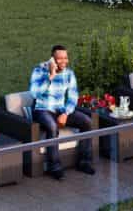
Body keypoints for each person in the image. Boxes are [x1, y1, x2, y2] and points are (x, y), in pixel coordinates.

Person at [28, 46, 96, 179]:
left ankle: (84, 162)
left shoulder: (69, 73)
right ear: (52, 59)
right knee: (52, 126)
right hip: (42, 109)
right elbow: (34, 93)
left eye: (65, 58)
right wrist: (50, 76)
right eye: (60, 58)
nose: (64, 61)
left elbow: (73, 97)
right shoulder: (39, 70)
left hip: (60, 109)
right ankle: (55, 167)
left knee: (87, 122)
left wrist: (66, 113)